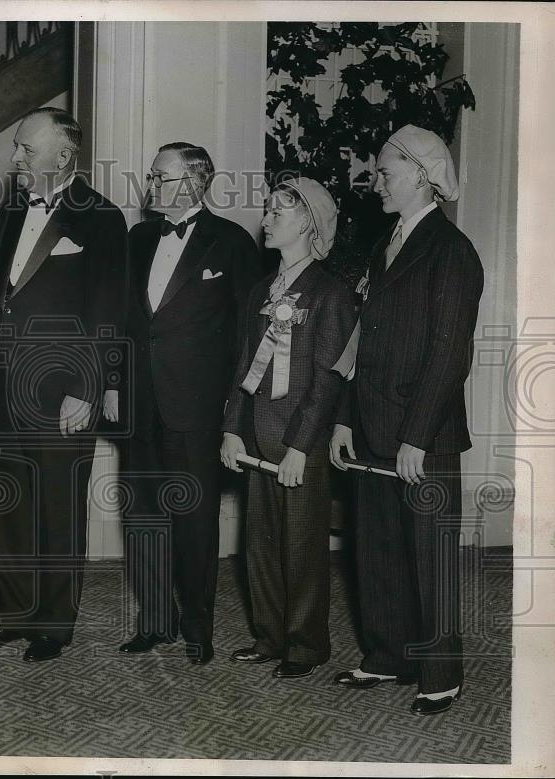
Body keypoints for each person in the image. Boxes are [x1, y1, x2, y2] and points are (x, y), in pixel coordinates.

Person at [329, 125, 483, 715]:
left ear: (420, 174)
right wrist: (344, 418)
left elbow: (449, 354)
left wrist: (416, 435)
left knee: (430, 555)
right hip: (370, 423)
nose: (376, 183)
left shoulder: (452, 251)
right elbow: (360, 344)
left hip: (425, 433)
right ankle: (387, 656)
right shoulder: (385, 244)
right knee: (378, 549)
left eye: (385, 172)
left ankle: (440, 672)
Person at [0, 107, 128, 663]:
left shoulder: (102, 219)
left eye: (25, 150)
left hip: (62, 391)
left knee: (58, 507)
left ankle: (53, 625)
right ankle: (13, 614)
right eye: (15, 147)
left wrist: (88, 387)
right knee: (7, 503)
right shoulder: (13, 208)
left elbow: (109, 311)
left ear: (64, 156)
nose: (14, 160)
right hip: (0, 385)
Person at [118, 143, 259, 665]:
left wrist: (235, 409)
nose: (150, 185)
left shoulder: (232, 242)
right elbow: (123, 320)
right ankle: (154, 621)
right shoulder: (136, 239)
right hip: (139, 402)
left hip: (198, 408)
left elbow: (249, 332)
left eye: (161, 176)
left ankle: (199, 627)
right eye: (152, 175)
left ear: (195, 184)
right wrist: (114, 384)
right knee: (143, 517)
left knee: (195, 520)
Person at [221, 177, 356, 678]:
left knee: (301, 544)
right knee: (261, 543)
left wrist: (302, 445)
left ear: (309, 222)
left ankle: (305, 645)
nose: (267, 218)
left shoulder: (331, 293)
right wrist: (232, 429)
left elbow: (328, 381)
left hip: (302, 441)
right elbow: (243, 368)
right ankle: (268, 635)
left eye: (280, 211)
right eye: (268, 208)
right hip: (257, 433)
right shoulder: (261, 290)